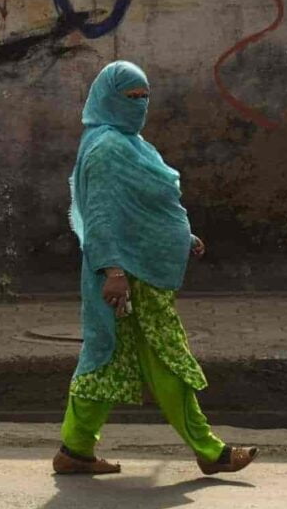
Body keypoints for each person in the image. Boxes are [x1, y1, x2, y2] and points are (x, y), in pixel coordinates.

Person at [52, 60, 259, 476]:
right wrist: (113, 270)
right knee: (167, 359)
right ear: (108, 98)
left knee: (104, 359)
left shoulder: (131, 143)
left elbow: (148, 206)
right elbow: (103, 215)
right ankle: (208, 449)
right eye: (131, 96)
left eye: (145, 96)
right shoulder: (108, 149)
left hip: (136, 270)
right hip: (129, 276)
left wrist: (180, 235)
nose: (140, 104)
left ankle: (74, 450)